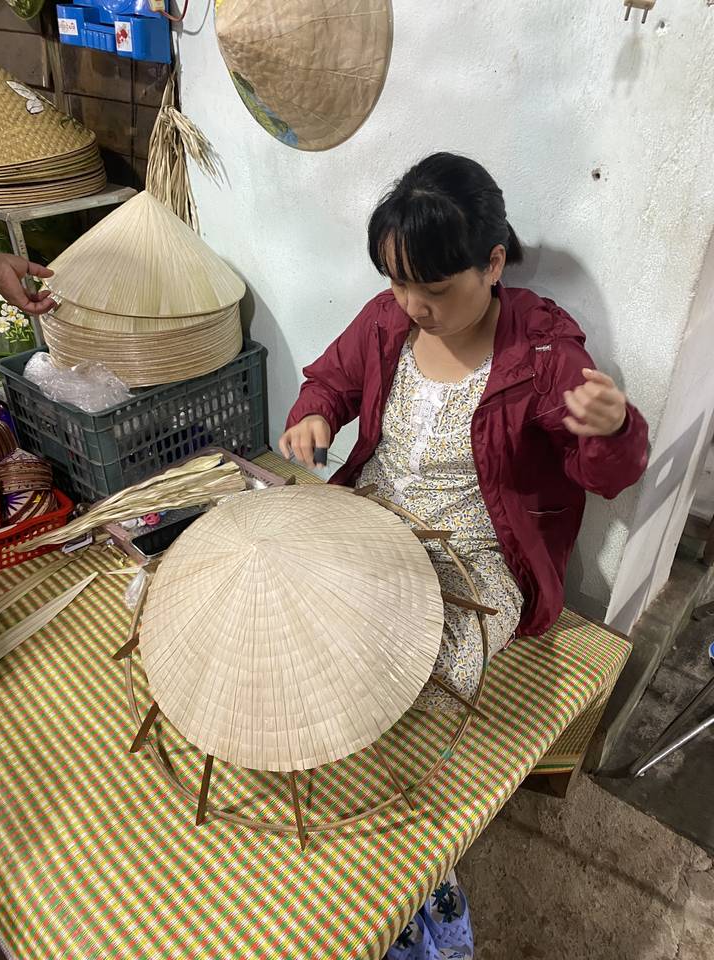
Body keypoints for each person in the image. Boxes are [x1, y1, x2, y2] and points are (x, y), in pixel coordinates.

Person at [279, 152, 648, 958]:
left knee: (437, 680)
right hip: (375, 514)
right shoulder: (389, 319)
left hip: (479, 551)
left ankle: (409, 855)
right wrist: (312, 417)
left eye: (436, 289)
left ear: (493, 262)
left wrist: (614, 428)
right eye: (397, 282)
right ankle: (310, 764)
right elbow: (333, 382)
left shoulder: (545, 353)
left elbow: (609, 475)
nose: (414, 306)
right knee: (285, 599)